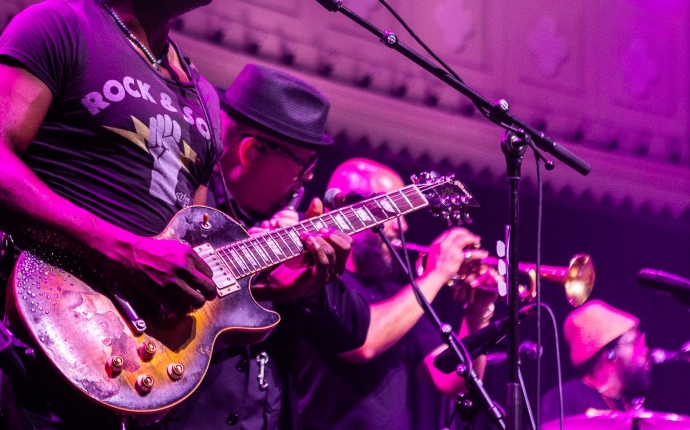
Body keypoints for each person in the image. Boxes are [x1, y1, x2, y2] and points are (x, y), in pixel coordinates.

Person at [0, 0, 346, 429]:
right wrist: (125, 251)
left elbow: (194, 257)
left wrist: (272, 281)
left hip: (132, 370)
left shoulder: (203, 96)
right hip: (40, 338)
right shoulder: (59, 27)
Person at [165, 63, 369, 429]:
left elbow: (353, 331)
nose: (306, 180)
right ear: (253, 151)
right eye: (302, 165)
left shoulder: (290, 223)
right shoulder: (177, 210)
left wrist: (312, 283)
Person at [294, 158, 499, 430]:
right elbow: (363, 343)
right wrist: (436, 274)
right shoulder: (316, 279)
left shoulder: (396, 296)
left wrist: (477, 314)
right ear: (345, 210)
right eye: (392, 211)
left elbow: (454, 381)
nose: (402, 226)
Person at [539, 300, 651, 425]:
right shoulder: (565, 398)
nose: (644, 351)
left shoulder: (626, 404)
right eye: (634, 343)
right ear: (610, 353)